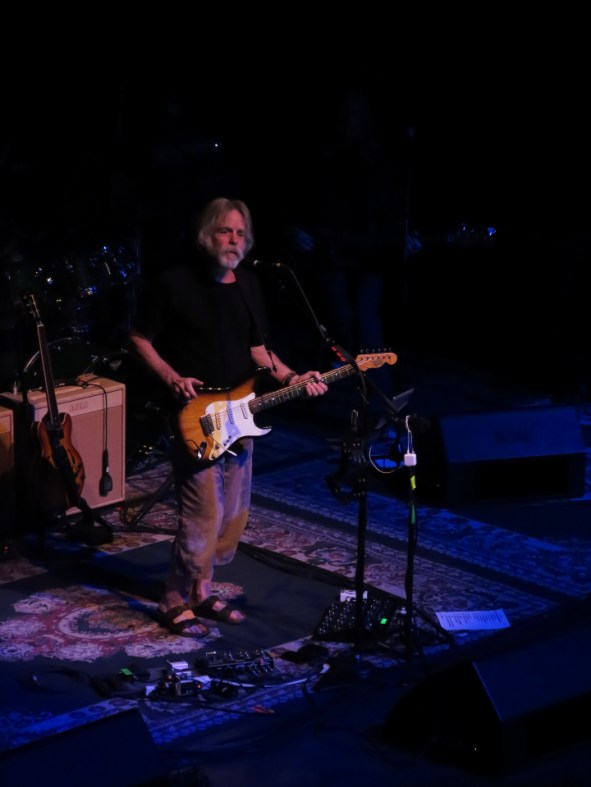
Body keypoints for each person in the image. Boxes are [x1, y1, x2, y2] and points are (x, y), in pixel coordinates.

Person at [128, 197, 328, 636]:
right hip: (195, 414)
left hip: (241, 413)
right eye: (225, 231)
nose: (234, 240)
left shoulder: (250, 285)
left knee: (233, 513)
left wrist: (293, 376)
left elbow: (259, 350)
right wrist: (171, 377)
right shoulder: (174, 283)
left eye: (240, 233)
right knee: (204, 513)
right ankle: (173, 598)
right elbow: (140, 338)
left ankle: (201, 591)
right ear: (206, 235)